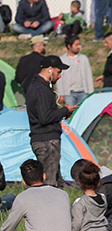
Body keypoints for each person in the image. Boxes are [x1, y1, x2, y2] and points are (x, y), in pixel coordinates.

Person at [0, 159, 71, 231]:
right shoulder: (63, 194)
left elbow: (8, 230)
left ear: (23, 182)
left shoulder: (23, 197)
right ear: (44, 176)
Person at [27, 56, 77, 187]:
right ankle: (49, 207)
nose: (60, 76)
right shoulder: (41, 89)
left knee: (57, 182)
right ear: (50, 70)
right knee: (50, 183)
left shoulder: (38, 86)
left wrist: (62, 113)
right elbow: (45, 118)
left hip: (45, 139)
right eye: (58, 72)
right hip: (47, 141)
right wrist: (64, 110)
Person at [70, 161, 111, 231]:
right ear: (98, 183)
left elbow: (76, 224)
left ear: (80, 183)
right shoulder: (103, 198)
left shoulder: (80, 202)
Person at [55, 36, 93, 108]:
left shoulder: (83, 58)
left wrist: (90, 92)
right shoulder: (62, 59)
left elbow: (88, 75)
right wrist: (61, 94)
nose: (78, 46)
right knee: (70, 115)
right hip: (69, 93)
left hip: (83, 92)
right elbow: (59, 79)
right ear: (69, 46)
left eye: (79, 44)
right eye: (76, 45)